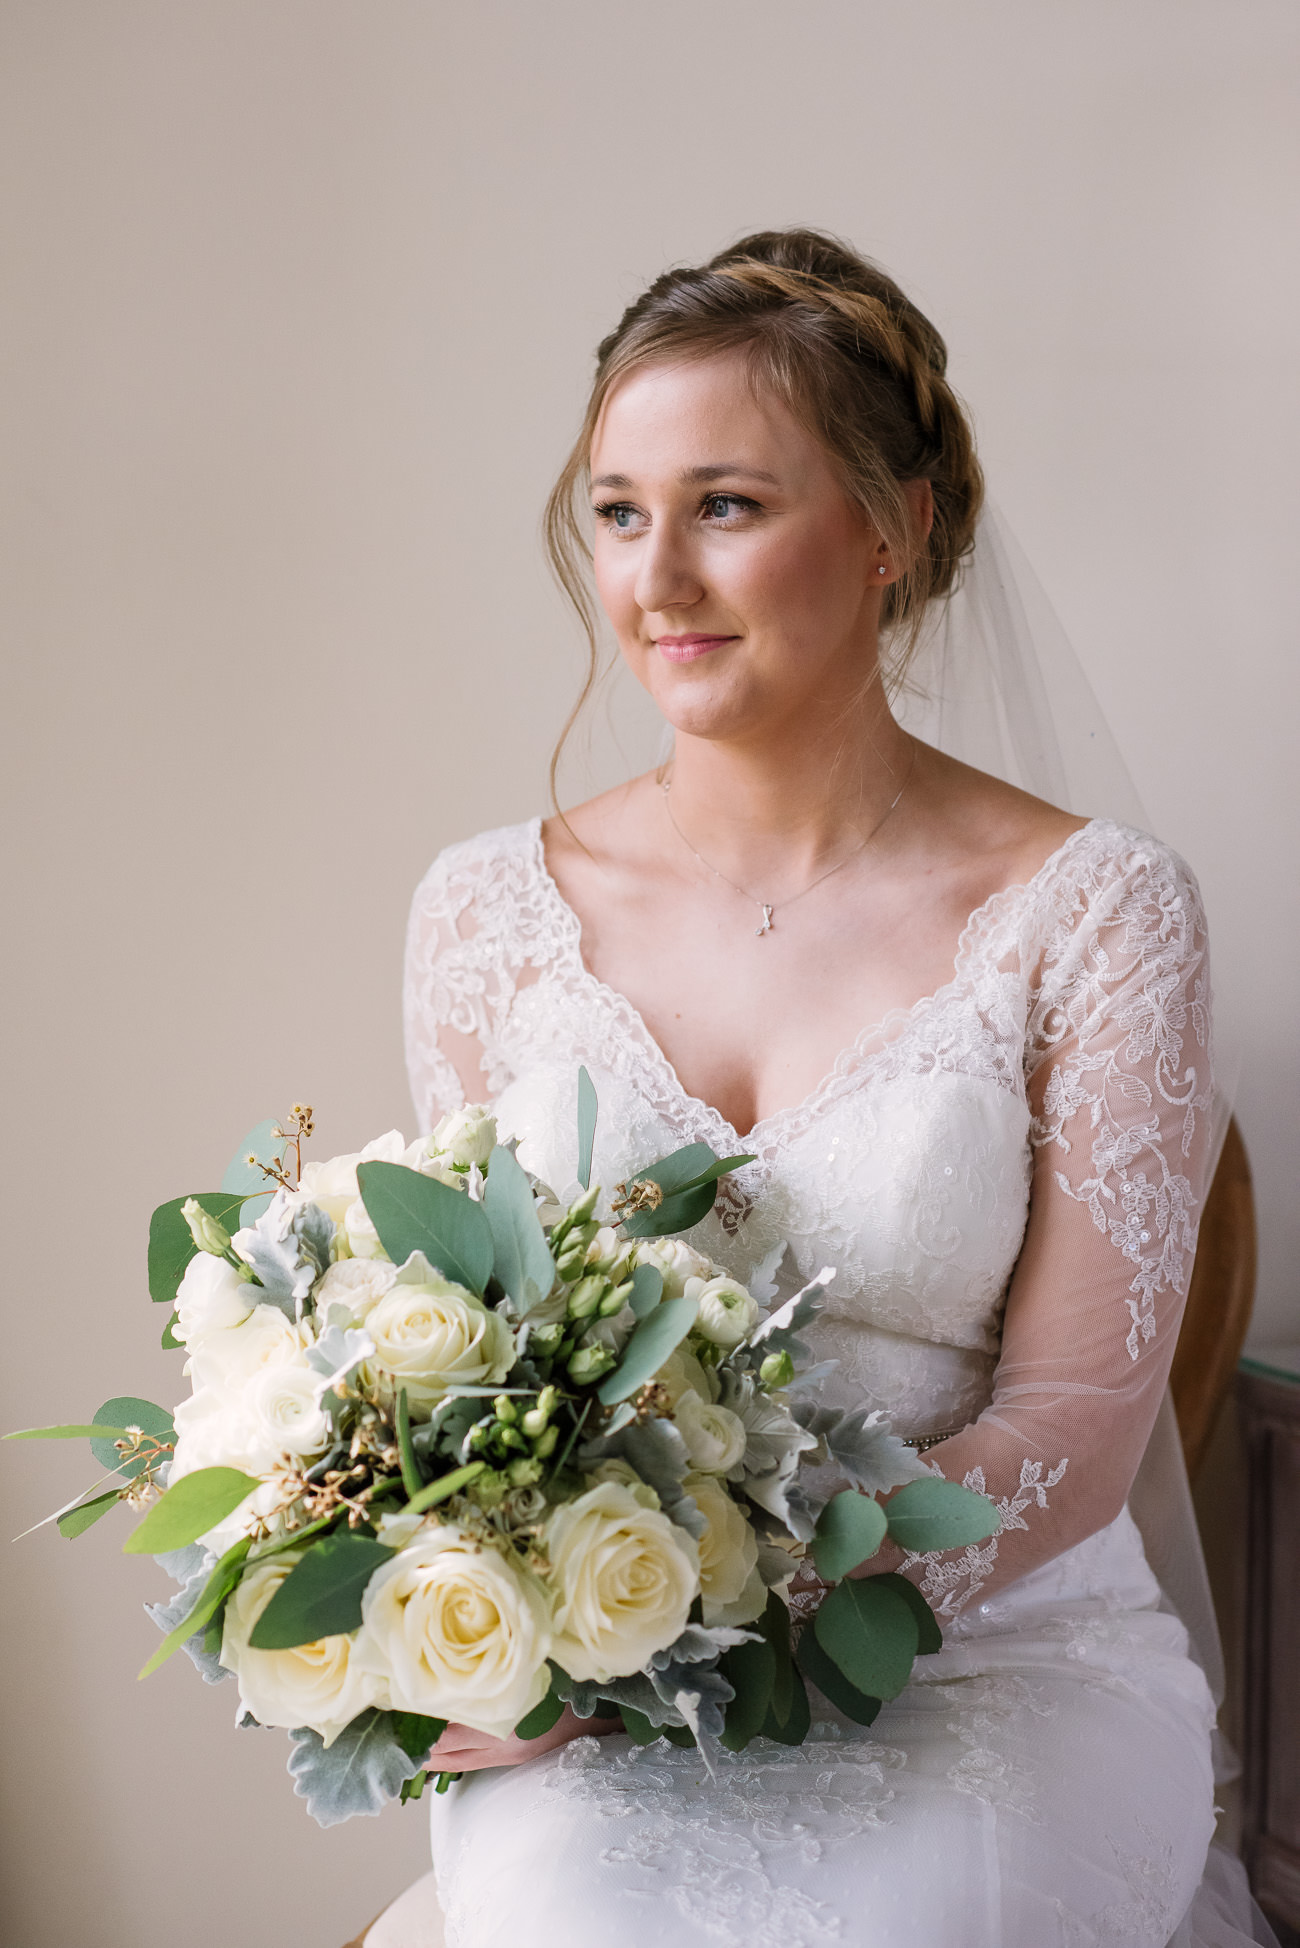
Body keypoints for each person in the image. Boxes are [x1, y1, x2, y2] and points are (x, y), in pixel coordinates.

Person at [379, 230, 1272, 1946]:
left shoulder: (1099, 910)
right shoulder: (482, 913)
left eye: (725, 504)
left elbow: (1079, 1432)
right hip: (611, 1679)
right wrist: (558, 1632)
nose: (656, 580)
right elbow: (475, 1358)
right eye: (622, 511)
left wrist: (741, 1607)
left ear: (894, 530)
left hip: (999, 1655)